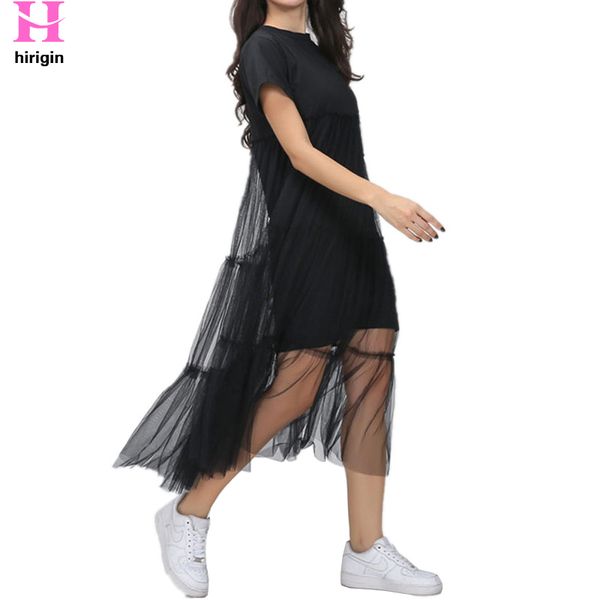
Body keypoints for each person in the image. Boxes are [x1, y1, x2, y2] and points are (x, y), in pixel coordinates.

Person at [113, 1, 445, 597]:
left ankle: (365, 549)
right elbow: (299, 153)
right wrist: (386, 199)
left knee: (372, 382)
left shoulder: (321, 53)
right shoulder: (263, 48)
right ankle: (188, 511)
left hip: (356, 236)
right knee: (296, 387)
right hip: (306, 237)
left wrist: (372, 210)